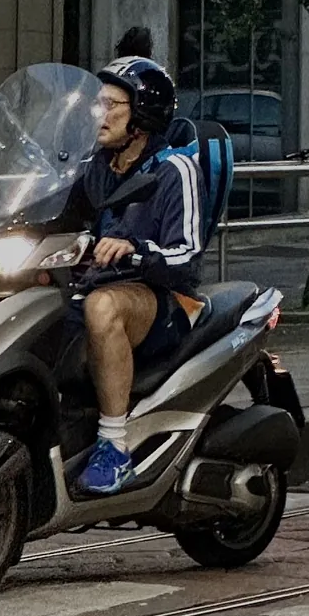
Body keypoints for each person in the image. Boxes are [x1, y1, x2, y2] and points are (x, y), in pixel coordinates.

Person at [73, 56, 206, 495]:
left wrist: (137, 251)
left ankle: (114, 448)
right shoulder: (93, 165)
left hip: (162, 299)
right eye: (98, 104)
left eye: (112, 105)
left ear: (142, 117)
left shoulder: (175, 169)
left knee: (102, 306)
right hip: (91, 284)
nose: (101, 114)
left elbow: (187, 256)